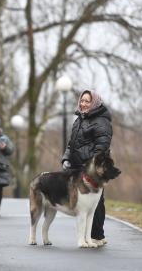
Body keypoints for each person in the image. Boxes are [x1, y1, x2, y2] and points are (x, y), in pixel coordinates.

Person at [61, 90, 113, 245]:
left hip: (92, 169)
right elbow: (71, 144)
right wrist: (66, 158)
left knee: (95, 203)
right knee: (82, 203)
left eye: (87, 101)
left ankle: (97, 236)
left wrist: (90, 167)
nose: (83, 104)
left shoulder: (101, 122)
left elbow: (101, 149)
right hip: (76, 168)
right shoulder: (79, 120)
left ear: (94, 103)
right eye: (82, 100)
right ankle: (87, 237)